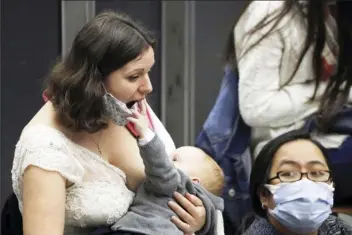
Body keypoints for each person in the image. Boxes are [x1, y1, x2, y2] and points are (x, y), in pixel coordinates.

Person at [11, 11, 207, 235]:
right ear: (93, 81)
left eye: (148, 72)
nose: (148, 86)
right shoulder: (44, 148)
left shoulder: (127, 107)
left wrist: (199, 219)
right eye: (134, 76)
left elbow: (172, 185)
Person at [224, 0, 352, 204]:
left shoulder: (330, 13)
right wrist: (327, 93)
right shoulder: (270, 12)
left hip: (327, 135)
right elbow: (256, 108)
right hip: (284, 148)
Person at [91, 100, 225, 235]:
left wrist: (146, 136)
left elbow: (163, 169)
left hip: (142, 230)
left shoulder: (177, 184)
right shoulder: (209, 210)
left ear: (194, 181)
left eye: (174, 159)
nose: (166, 159)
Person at [237, 129, 352, 235]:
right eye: (288, 174)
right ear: (263, 194)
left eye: (316, 173)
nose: (306, 183)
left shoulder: (336, 228)